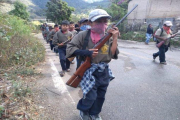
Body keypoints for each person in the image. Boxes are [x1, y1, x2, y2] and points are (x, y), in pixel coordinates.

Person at [66, 9, 119, 120]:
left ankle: (95, 113)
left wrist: (115, 38)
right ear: (90, 23)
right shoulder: (83, 35)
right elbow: (70, 48)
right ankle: (84, 111)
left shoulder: (107, 36)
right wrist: (86, 53)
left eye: (105, 21)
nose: (102, 24)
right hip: (88, 70)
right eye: (98, 21)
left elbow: (112, 54)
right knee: (90, 95)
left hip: (103, 70)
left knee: (100, 95)